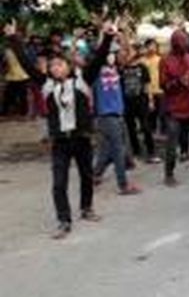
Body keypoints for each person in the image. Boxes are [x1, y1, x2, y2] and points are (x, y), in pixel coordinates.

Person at [5, 19, 114, 239]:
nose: (55, 68)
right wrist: (12, 38)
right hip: (60, 142)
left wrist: (109, 36)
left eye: (60, 64)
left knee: (86, 176)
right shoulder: (46, 84)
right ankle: (64, 220)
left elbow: (100, 58)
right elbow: (26, 63)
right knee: (58, 182)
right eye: (52, 65)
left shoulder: (82, 80)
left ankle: (86, 208)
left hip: (81, 138)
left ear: (68, 66)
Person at [92, 40, 141, 195]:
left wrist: (124, 34)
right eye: (109, 54)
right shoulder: (95, 73)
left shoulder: (117, 70)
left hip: (118, 114)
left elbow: (131, 53)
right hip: (106, 116)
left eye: (113, 54)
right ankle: (123, 185)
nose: (112, 57)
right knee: (118, 150)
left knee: (107, 150)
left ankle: (95, 174)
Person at [160, 29, 189, 186]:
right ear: (174, 43)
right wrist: (179, 81)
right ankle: (169, 174)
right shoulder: (166, 61)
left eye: (185, 40)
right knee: (172, 144)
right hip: (174, 109)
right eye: (181, 41)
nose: (184, 44)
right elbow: (164, 85)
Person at [121, 45, 159, 163]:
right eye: (126, 52)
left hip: (141, 101)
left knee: (146, 127)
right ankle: (136, 151)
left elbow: (147, 84)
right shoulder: (122, 69)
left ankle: (151, 151)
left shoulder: (142, 67)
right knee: (131, 128)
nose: (128, 54)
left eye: (130, 51)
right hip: (127, 102)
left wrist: (151, 100)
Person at [140, 38, 164, 136]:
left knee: (161, 112)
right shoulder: (142, 60)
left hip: (160, 90)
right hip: (147, 91)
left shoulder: (160, 59)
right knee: (150, 114)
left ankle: (163, 132)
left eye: (154, 46)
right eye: (150, 46)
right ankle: (151, 131)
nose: (152, 48)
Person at [2, 39, 31, 117]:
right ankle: (21, 112)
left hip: (20, 76)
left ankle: (20, 112)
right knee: (14, 95)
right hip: (16, 76)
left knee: (13, 95)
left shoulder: (10, 51)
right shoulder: (11, 51)